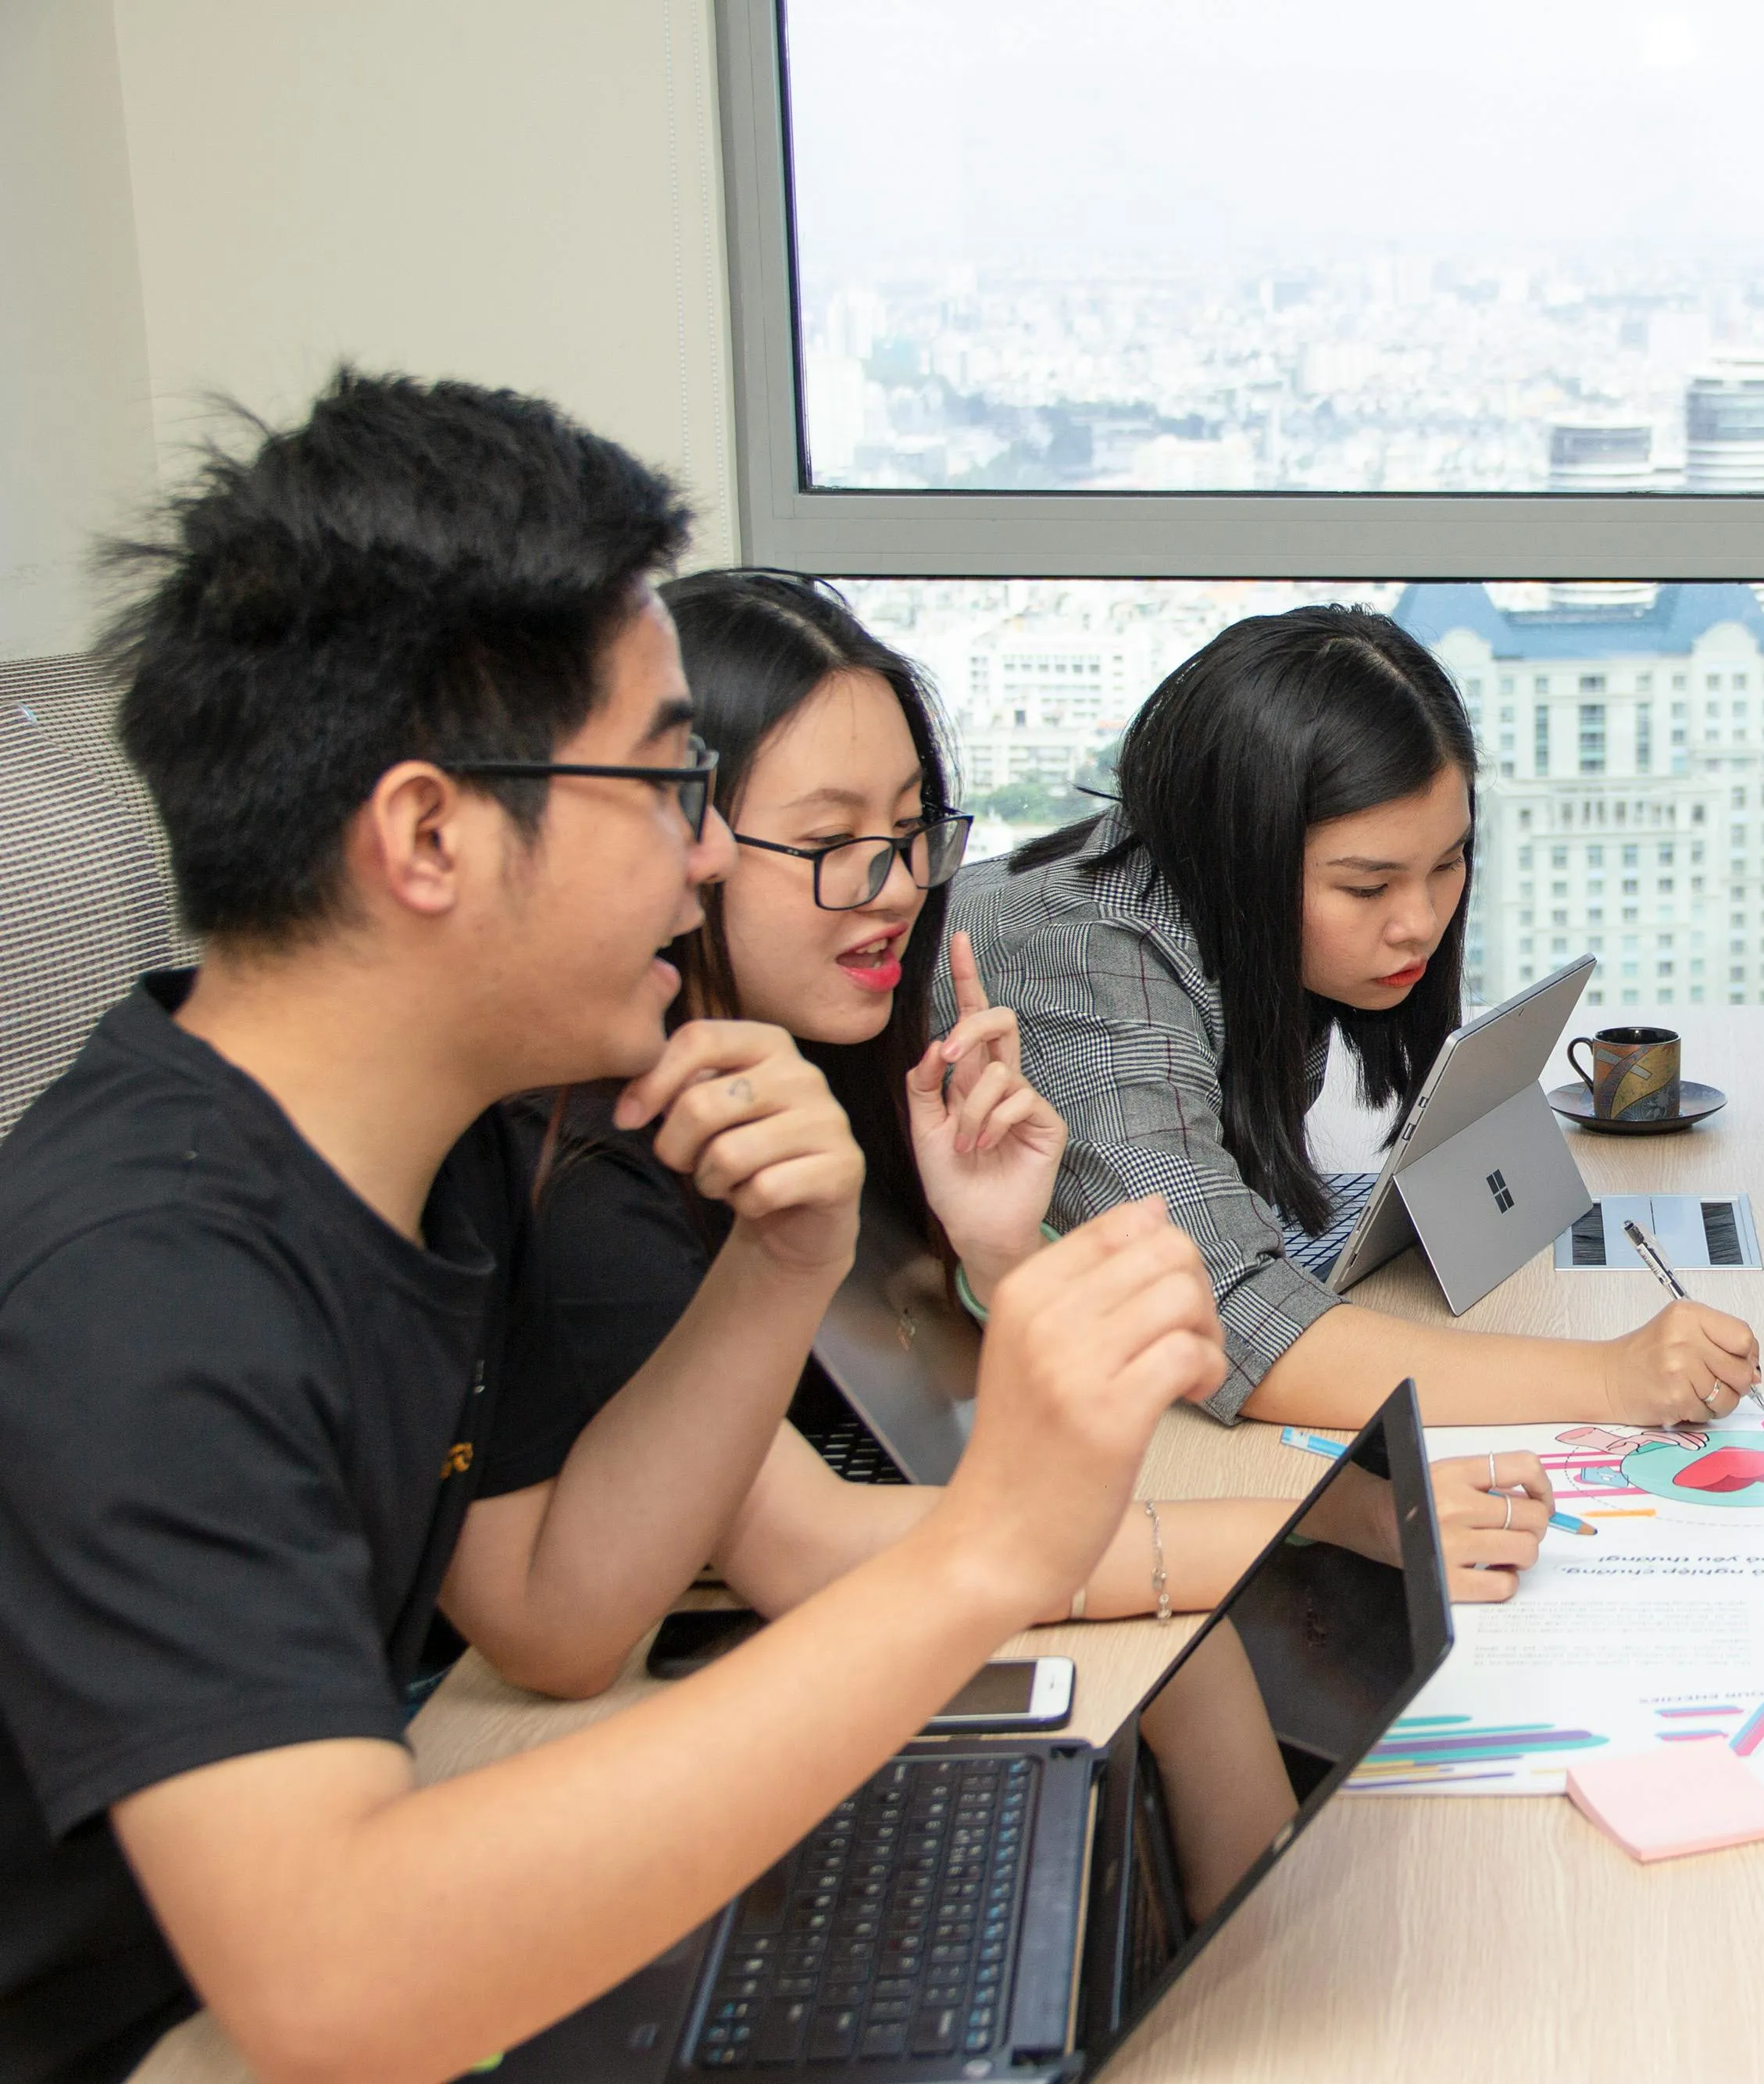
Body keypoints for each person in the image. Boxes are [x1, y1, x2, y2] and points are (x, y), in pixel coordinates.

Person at [0, 373, 1225, 2084]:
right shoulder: (146, 1282)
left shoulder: (420, 1150)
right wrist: (979, 1557)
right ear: (428, 833)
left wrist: (782, 1257)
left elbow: (568, 1617)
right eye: (664, 785)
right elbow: (333, 1979)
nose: (709, 850)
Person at [450, 571, 1550, 1702]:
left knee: (1207, 1701)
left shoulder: (826, 1056)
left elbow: (943, 1420)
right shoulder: (592, 1154)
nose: (901, 888)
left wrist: (999, 1258)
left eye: (912, 827)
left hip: (838, 1623)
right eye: (833, 839)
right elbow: (798, 1543)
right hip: (646, 1700)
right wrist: (1332, 1527)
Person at [954, 605, 1762, 1428]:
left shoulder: (1218, 901)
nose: (1420, 920)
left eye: (1448, 863)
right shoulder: (1084, 964)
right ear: (1240, 853)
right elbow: (1222, 1320)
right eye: (1367, 887)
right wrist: (1608, 1379)